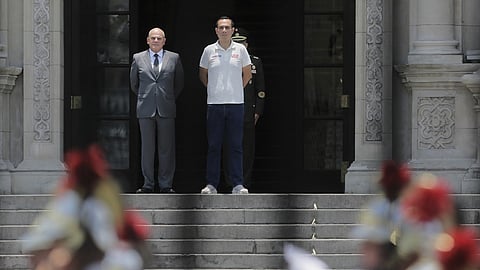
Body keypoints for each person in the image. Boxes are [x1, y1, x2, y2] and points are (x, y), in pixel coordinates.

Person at [198, 16, 252, 194]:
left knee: (236, 145)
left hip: (236, 103)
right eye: (220, 27)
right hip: (214, 104)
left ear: (232, 30)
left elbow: (247, 74)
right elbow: (203, 74)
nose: (223, 30)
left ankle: (237, 184)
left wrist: (234, 89)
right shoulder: (208, 50)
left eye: (227, 27)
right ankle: (211, 184)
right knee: (214, 145)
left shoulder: (241, 50)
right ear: (216, 30)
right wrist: (215, 89)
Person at [130, 27, 184, 193]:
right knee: (147, 149)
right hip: (145, 109)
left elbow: (179, 83)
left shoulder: (174, 58)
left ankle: (166, 185)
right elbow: (134, 84)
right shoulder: (138, 58)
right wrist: (147, 97)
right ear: (147, 40)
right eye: (152, 38)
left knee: (166, 149)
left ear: (164, 41)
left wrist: (167, 97)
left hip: (166, 108)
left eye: (158, 38)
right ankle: (148, 184)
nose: (155, 41)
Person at [223, 27, 266, 189]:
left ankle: (245, 182)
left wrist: (258, 111)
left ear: (247, 45)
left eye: (243, 43)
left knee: (247, 149)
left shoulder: (255, 62)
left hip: (248, 111)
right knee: (229, 148)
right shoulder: (224, 60)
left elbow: (260, 90)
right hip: (229, 110)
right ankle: (230, 182)